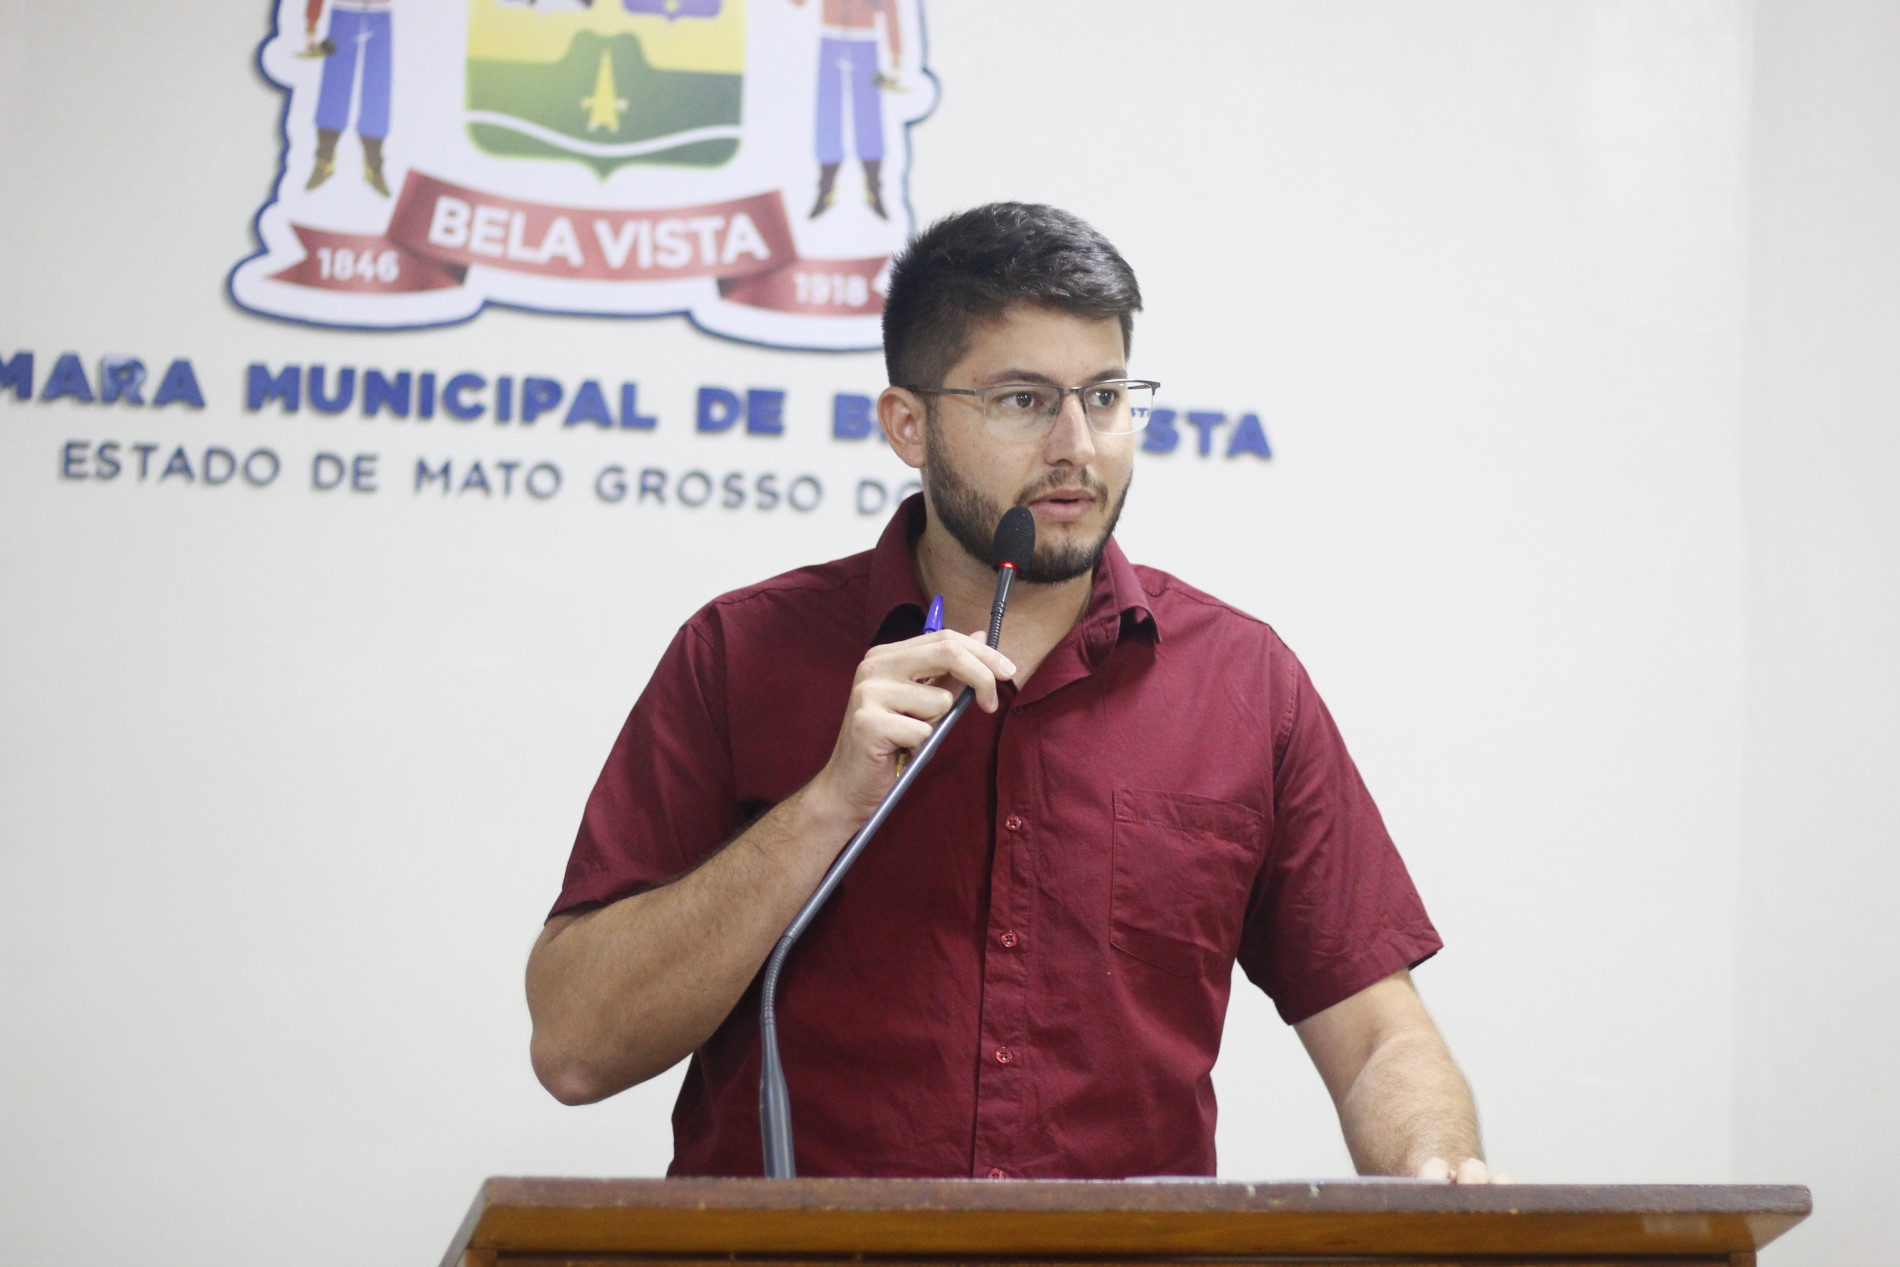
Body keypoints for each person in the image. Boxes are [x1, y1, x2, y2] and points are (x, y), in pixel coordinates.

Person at [527, 202, 1507, 1184]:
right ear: (908, 425)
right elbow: (577, 1047)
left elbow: (1379, 1034)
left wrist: (1438, 1169)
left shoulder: (1241, 683)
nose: (1076, 444)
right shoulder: (742, 654)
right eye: (1023, 400)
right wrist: (825, 804)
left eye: (1107, 395)